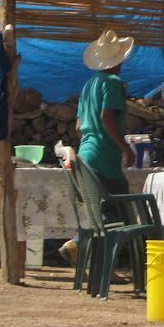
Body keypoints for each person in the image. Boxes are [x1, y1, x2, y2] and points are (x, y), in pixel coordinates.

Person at [58, 29, 135, 266]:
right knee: (120, 216)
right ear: (118, 60)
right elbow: (106, 118)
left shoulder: (89, 85)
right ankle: (83, 249)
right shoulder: (113, 83)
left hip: (86, 156)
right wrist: (126, 148)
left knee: (103, 214)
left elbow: (80, 127)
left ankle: (85, 252)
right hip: (104, 159)